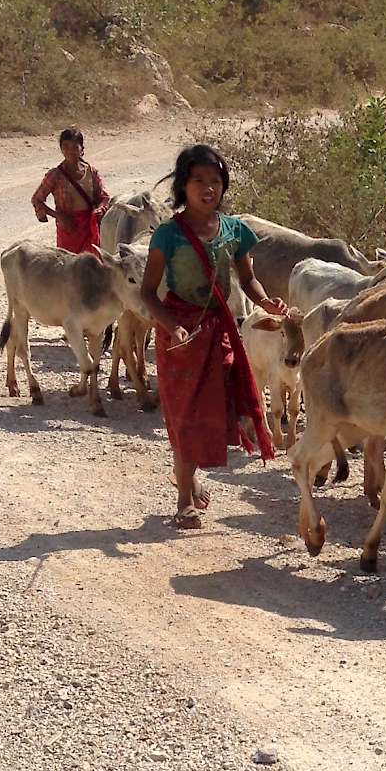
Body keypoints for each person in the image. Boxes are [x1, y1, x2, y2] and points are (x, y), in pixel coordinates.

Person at [139, 143, 295, 527]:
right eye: (198, 181)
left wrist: (266, 302)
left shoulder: (235, 231)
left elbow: (248, 279)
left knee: (217, 406)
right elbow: (147, 291)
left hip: (216, 328)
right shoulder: (168, 235)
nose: (208, 188)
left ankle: (188, 472)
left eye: (215, 181)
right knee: (184, 414)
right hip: (180, 334)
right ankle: (183, 501)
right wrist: (170, 325)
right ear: (183, 185)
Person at [32, 127, 110, 253]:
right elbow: (37, 199)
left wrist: (99, 211)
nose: (70, 151)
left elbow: (104, 198)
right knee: (68, 267)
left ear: (82, 150)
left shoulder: (91, 172)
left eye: (75, 147)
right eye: (66, 147)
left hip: (90, 228)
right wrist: (59, 217)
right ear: (61, 149)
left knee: (92, 267)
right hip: (68, 229)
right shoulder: (55, 175)